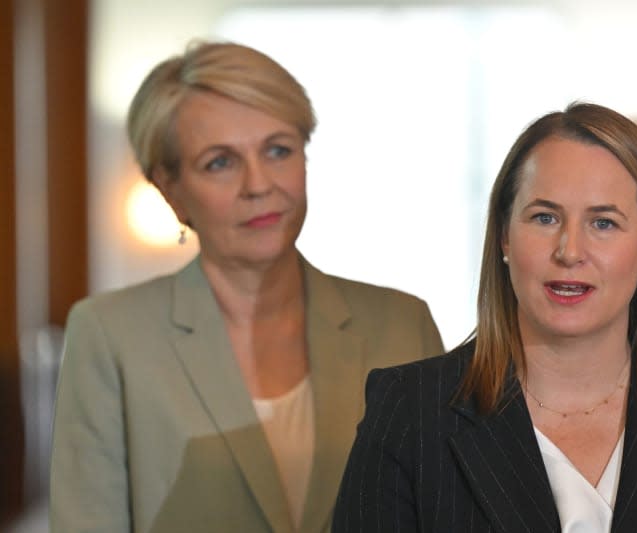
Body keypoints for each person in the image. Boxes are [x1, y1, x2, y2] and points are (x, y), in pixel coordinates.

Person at [333, 102, 637, 532]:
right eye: (544, 218)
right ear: (503, 238)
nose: (570, 251)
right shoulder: (409, 414)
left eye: (603, 223)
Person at [49, 41, 444, 533]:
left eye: (278, 150)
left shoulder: (403, 325)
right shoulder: (110, 335)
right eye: (220, 162)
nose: (259, 184)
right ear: (170, 190)